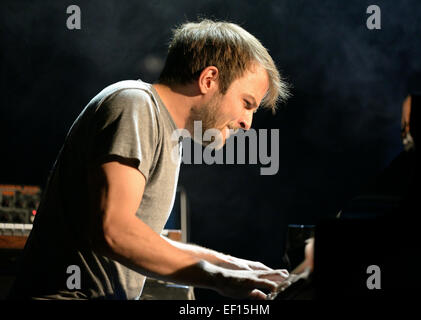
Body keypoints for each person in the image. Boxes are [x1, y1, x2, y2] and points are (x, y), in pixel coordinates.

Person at [8, 19, 291, 300]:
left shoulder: (167, 134)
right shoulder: (135, 104)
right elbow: (116, 230)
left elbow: (146, 240)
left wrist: (237, 267)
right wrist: (221, 280)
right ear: (208, 80)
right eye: (247, 103)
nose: (247, 123)